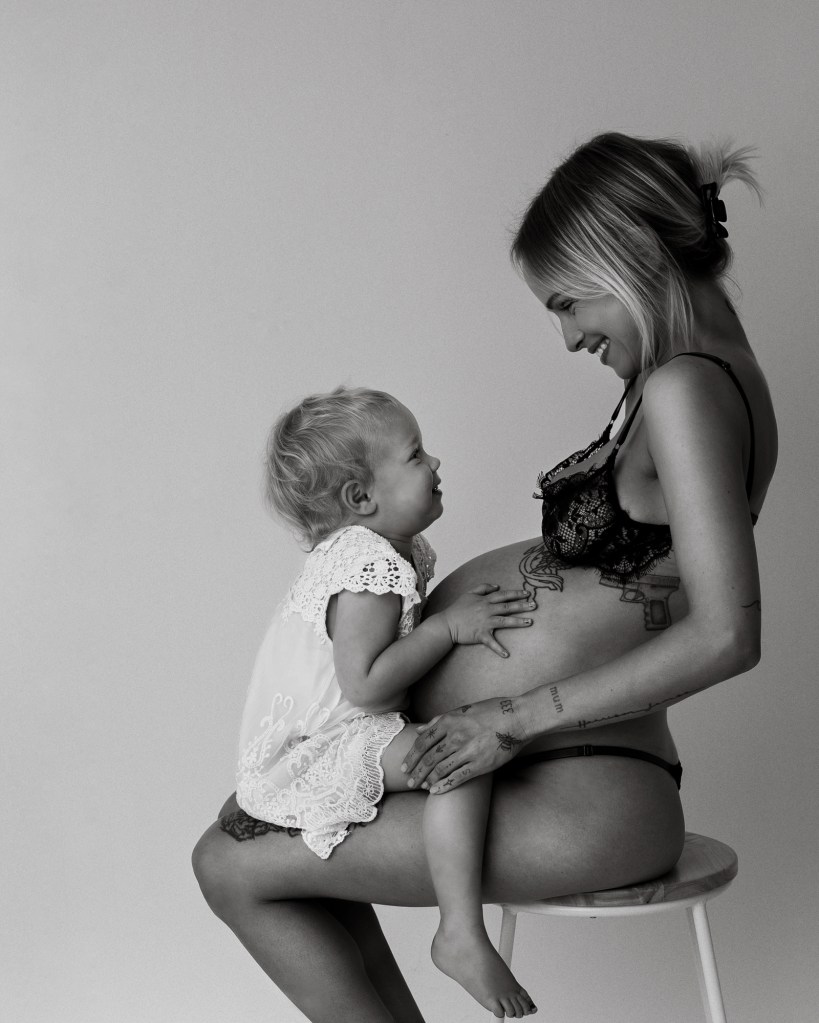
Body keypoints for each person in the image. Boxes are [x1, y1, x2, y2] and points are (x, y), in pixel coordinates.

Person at [192, 132, 777, 1023]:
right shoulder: (685, 376)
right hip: (565, 769)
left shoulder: (685, 388)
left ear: (627, 255)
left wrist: (507, 716)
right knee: (255, 840)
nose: (569, 335)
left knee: (227, 861)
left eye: (568, 301)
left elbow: (726, 632)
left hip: (579, 788)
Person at [232, 385, 538, 1017]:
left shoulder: (392, 549)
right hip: (322, 746)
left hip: (340, 731)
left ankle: (458, 933)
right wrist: (447, 629)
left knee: (455, 746)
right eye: (416, 454)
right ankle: (460, 932)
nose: (435, 463)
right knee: (459, 754)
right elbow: (365, 685)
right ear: (360, 498)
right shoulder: (365, 562)